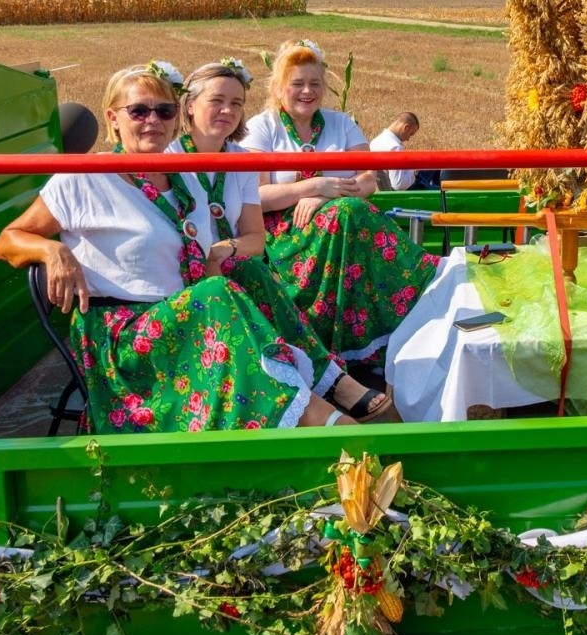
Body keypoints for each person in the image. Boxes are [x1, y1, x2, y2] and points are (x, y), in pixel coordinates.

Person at [0, 61, 355, 433]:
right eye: (139, 110)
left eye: (164, 111)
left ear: (175, 117)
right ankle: (322, 417)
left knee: (247, 273)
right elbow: (8, 240)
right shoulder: (84, 177)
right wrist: (52, 251)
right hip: (128, 335)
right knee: (216, 294)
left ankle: (321, 392)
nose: (153, 120)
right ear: (113, 118)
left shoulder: (183, 176)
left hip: (178, 318)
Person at [169, 58, 392, 421]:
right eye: (217, 101)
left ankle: (329, 383)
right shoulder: (166, 159)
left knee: (257, 270)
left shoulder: (239, 159)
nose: (228, 111)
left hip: (227, 266)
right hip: (187, 278)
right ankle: (323, 394)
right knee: (250, 280)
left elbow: (254, 239)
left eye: (237, 103)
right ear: (189, 106)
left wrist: (226, 250)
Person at [243, 40, 439, 373]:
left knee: (350, 213)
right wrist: (313, 185)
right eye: (298, 84)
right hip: (286, 233)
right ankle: (428, 283)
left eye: (315, 84)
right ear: (279, 88)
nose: (308, 91)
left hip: (343, 221)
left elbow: (368, 181)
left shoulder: (341, 124)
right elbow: (257, 196)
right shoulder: (263, 127)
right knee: (352, 213)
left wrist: (325, 197)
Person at [369, 111, 427, 191]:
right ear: (406, 128)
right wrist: (413, 171)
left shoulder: (375, 141)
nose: (408, 139)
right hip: (396, 195)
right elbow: (398, 184)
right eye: (410, 134)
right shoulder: (395, 148)